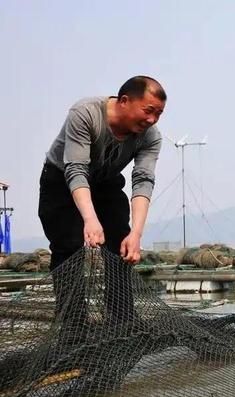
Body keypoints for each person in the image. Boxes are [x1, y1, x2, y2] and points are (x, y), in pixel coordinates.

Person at [38, 75, 166, 327]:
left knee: (121, 242)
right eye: (148, 111)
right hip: (61, 179)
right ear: (124, 101)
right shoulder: (85, 113)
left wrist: (136, 234)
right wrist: (90, 220)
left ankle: (123, 320)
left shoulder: (151, 136)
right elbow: (75, 170)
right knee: (68, 247)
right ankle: (73, 327)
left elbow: (143, 181)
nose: (152, 120)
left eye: (159, 114)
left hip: (105, 179)